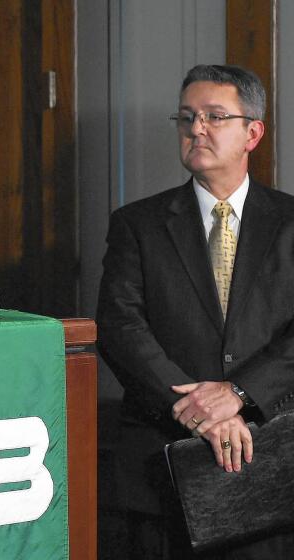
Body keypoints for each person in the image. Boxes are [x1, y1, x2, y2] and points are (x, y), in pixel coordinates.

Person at [97, 64, 294, 559]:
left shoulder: (290, 221)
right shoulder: (136, 224)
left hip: (270, 456)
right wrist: (197, 412)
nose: (196, 129)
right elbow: (121, 327)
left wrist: (239, 393)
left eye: (213, 116)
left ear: (253, 132)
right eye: (186, 117)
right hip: (161, 462)